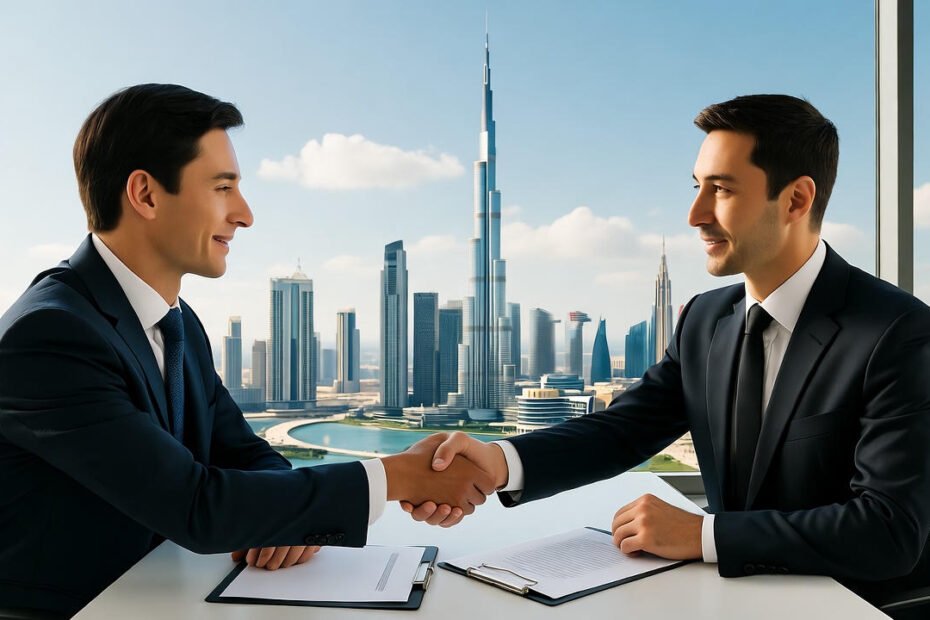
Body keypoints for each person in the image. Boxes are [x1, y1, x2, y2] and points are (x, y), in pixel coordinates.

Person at [408, 94, 930, 608]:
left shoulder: (897, 333)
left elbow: (889, 530)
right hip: (728, 599)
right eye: (697, 187)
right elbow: (623, 430)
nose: (695, 214)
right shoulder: (705, 318)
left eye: (721, 189)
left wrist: (703, 535)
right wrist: (499, 462)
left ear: (796, 199)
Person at [0, 83, 494, 618]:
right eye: (222, 187)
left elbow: (242, 452)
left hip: (163, 595)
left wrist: (289, 518)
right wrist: (397, 475)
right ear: (145, 194)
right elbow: (195, 505)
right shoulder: (51, 336)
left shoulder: (176, 321)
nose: (245, 214)